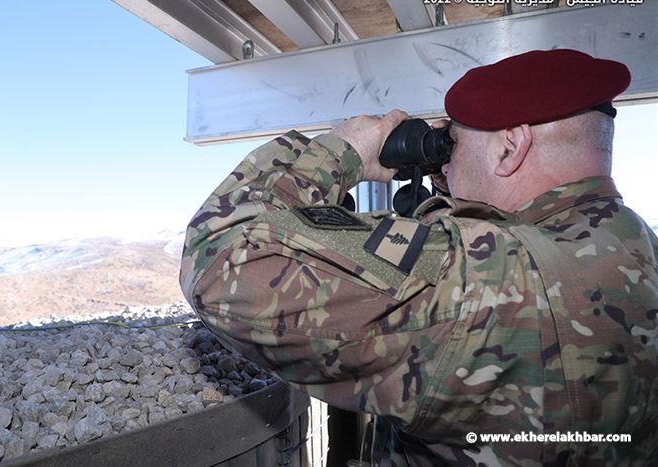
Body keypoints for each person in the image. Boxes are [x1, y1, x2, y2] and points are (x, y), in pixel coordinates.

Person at [179, 49, 658, 465]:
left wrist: (341, 151)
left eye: (454, 143)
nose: (444, 160)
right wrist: (456, 180)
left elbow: (220, 257)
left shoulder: (485, 271)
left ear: (511, 146)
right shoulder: (632, 242)